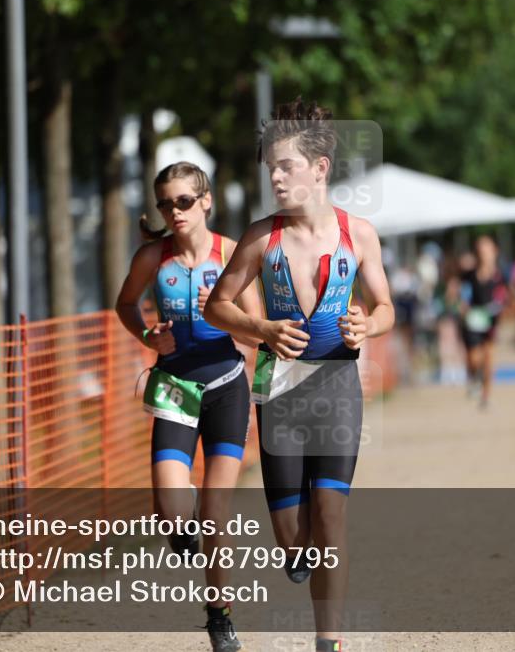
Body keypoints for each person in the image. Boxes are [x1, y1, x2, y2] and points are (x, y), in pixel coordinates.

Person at [204, 97, 394, 652]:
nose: (276, 178)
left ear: (320, 169)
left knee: (330, 515)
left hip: (336, 386)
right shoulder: (262, 238)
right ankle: (296, 552)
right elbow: (218, 306)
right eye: (271, 169)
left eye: (285, 166)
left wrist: (367, 325)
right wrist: (261, 329)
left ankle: (328, 642)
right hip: (279, 391)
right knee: (294, 542)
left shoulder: (358, 235)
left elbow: (385, 307)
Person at [115, 162, 261, 652]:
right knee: (172, 516)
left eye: (182, 201)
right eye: (164, 203)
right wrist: (147, 336)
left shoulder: (233, 255)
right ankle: (184, 534)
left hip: (225, 384)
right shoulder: (153, 257)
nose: (173, 211)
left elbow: (257, 330)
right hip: (175, 387)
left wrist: (226, 314)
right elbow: (125, 304)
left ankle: (219, 617)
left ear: (206, 202)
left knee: (216, 513)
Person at [458, 235, 507, 410]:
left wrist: (502, 308)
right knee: (474, 357)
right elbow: (463, 295)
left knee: (488, 357)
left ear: (495, 251)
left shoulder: (500, 275)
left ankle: (486, 395)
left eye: (487, 250)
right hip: (472, 319)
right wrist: (463, 307)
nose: (484, 254)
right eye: (480, 250)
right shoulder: (469, 275)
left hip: (491, 320)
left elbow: (506, 296)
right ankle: (474, 376)